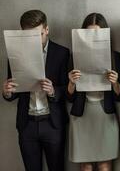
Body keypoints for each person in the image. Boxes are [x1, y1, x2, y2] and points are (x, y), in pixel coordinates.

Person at [2, 9, 70, 171]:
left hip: (53, 124)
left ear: (47, 30)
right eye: (29, 36)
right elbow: (13, 93)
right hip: (27, 125)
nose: (34, 41)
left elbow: (68, 90)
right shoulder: (15, 55)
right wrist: (7, 92)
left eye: (38, 35)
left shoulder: (62, 53)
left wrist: (53, 91)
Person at [67, 13, 120, 171]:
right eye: (88, 33)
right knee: (86, 167)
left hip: (105, 116)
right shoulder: (73, 57)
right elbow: (68, 98)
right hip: (82, 116)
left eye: (96, 33)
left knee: (105, 166)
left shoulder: (114, 57)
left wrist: (115, 82)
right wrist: (71, 82)